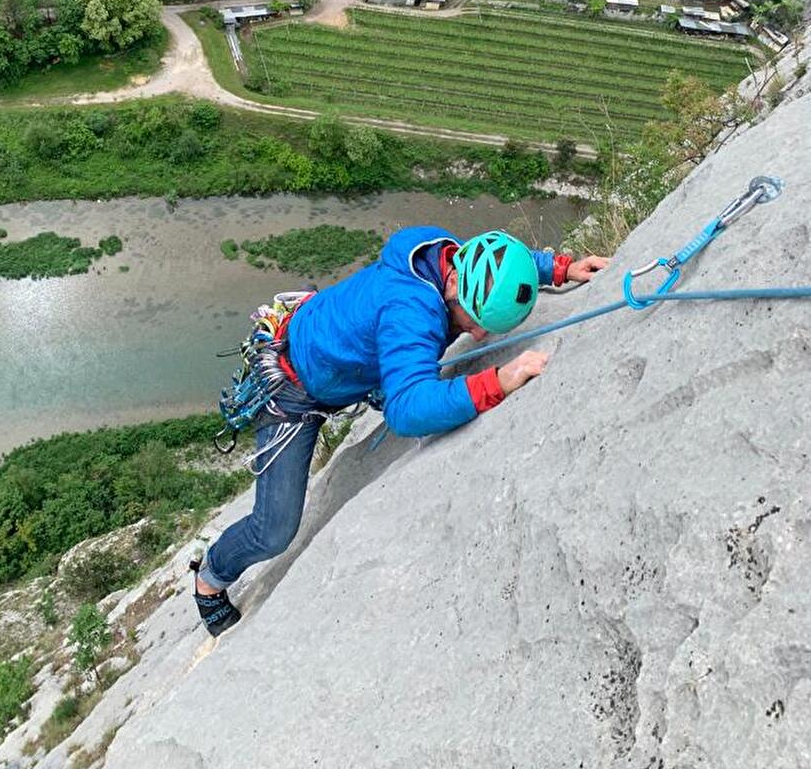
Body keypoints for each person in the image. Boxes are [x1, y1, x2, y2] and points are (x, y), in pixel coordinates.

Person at [192, 226, 609, 635]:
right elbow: (407, 410)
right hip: (291, 390)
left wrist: (558, 268)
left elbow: (494, 259)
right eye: (473, 319)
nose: (478, 333)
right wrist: (497, 381)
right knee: (274, 529)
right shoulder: (411, 311)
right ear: (452, 289)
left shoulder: (443, 255)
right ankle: (210, 576)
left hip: (329, 356)